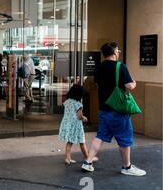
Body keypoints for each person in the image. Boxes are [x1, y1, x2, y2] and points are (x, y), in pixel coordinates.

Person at [82, 42, 146, 176]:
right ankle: (127, 167)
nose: (119, 53)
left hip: (103, 109)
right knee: (125, 138)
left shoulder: (98, 68)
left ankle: (87, 162)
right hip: (118, 110)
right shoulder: (120, 66)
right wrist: (134, 83)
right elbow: (129, 86)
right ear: (115, 51)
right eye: (118, 50)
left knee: (100, 136)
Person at [59, 84, 98, 165]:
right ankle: (88, 157)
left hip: (67, 124)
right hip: (76, 126)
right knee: (82, 142)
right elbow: (79, 116)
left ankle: (67, 158)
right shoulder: (78, 104)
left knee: (69, 142)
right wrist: (84, 118)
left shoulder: (67, 102)